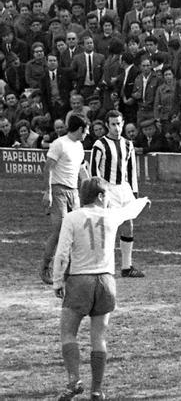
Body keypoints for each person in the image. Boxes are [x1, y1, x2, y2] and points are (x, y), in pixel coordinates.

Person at [51, 177, 150, 401]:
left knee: (68, 332)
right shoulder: (111, 215)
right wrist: (144, 200)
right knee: (99, 337)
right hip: (106, 281)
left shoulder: (72, 217)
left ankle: (74, 380)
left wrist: (58, 280)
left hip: (80, 280)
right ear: (101, 196)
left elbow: (62, 251)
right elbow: (130, 211)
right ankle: (97, 390)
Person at [88, 110, 145, 279]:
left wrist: (134, 193)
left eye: (119, 123)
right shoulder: (100, 145)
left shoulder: (128, 144)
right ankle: (103, 266)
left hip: (124, 188)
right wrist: (98, 190)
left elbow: (132, 169)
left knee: (128, 224)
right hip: (108, 189)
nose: (117, 127)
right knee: (108, 227)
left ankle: (127, 267)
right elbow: (94, 169)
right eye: (113, 124)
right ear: (107, 125)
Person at [41, 114, 90, 285]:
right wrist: (48, 192)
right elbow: (48, 168)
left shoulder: (79, 146)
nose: (87, 134)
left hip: (73, 192)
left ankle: (70, 268)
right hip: (59, 190)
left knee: (75, 230)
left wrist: (89, 185)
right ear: (80, 129)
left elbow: (80, 170)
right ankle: (46, 267)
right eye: (87, 130)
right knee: (60, 230)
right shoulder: (59, 144)